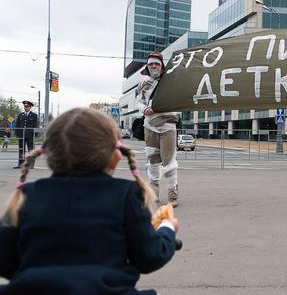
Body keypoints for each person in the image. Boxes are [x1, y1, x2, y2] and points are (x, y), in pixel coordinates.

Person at [0, 108, 179, 294]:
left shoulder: (27, 195)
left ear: (48, 155)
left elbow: (5, 261)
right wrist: (167, 229)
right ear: (115, 157)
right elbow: (149, 257)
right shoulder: (126, 195)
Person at [136, 51, 180, 206]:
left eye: (156, 63)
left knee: (169, 162)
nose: (153, 66)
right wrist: (144, 109)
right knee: (152, 161)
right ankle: (153, 193)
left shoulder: (170, 81)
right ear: (147, 66)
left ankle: (173, 195)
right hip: (149, 126)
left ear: (161, 66)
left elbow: (178, 99)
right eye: (150, 64)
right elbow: (139, 102)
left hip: (168, 126)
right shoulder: (143, 83)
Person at [13, 100, 38, 169]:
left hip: (30, 135)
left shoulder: (34, 115)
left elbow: (35, 125)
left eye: (27, 107)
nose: (26, 108)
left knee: (31, 150)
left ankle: (31, 164)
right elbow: (17, 125)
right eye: (25, 106)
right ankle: (20, 164)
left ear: (30, 107)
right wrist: (17, 134)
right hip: (21, 135)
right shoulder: (20, 115)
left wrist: (34, 135)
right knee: (21, 149)